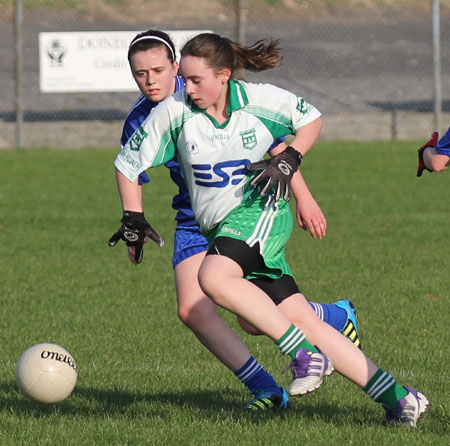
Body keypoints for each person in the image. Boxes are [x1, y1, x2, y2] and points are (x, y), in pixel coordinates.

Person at [112, 32, 430, 426]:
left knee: (212, 277)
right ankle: (400, 398)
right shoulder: (171, 113)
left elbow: (309, 119)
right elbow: (127, 165)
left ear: (224, 75)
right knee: (289, 317)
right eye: (142, 74)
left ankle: (304, 356)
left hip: (259, 212)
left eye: (193, 80)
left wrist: (292, 160)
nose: (184, 89)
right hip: (214, 227)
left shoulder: (258, 101)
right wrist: (133, 218)